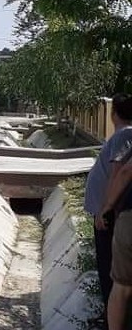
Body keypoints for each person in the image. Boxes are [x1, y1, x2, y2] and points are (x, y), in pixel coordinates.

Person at [85, 94, 132, 322]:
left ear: (113, 114)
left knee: (109, 268)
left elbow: (118, 172)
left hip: (110, 215)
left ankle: (109, 318)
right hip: (111, 212)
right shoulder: (124, 134)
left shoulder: (124, 134)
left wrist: (106, 207)